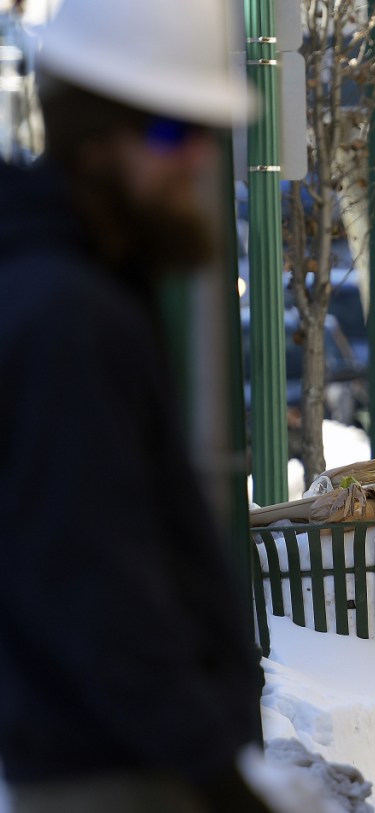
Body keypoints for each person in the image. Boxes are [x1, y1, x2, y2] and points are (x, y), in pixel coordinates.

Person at [0, 0, 273, 810]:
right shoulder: (67, 313)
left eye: (201, 131)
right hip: (118, 768)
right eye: (165, 131)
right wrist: (209, 767)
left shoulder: (79, 284)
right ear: (93, 140)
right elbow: (96, 573)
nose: (191, 156)